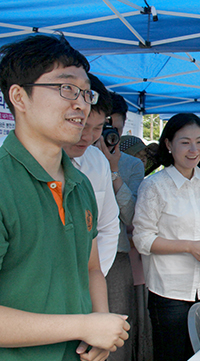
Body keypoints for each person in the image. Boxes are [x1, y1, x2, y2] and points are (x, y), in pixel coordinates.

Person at [0, 34, 129, 361]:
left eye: (87, 93)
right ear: (19, 97)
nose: (82, 104)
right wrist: (84, 325)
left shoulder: (80, 184)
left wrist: (100, 323)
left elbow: (90, 268)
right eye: (67, 89)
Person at [132, 113, 200, 361]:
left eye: (199, 141)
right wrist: (189, 247)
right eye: (185, 142)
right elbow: (143, 240)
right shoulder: (154, 186)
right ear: (169, 144)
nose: (194, 150)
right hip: (169, 290)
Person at [95, 91, 144, 361]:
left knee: (115, 334)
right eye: (103, 126)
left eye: (115, 128)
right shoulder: (73, 153)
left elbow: (132, 215)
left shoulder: (131, 165)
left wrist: (113, 170)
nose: (107, 134)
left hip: (117, 255)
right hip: (77, 255)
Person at [63, 73, 120, 277]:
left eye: (98, 128)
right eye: (82, 125)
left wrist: (92, 279)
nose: (88, 137)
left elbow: (108, 227)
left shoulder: (97, 161)